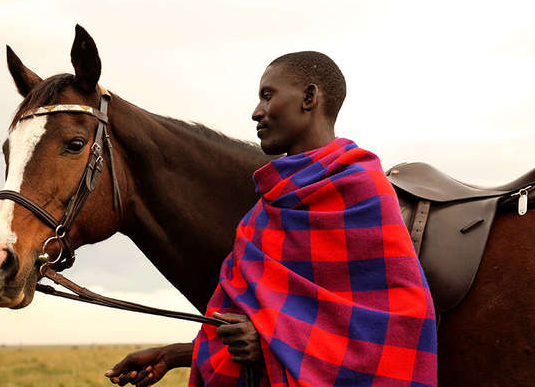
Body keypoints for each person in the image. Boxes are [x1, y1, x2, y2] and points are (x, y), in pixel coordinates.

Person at [105, 52, 437, 386]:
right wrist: (176, 354)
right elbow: (246, 323)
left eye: (268, 95)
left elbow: (397, 326)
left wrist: (266, 341)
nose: (256, 112)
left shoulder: (362, 191)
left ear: (309, 98)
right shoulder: (263, 213)